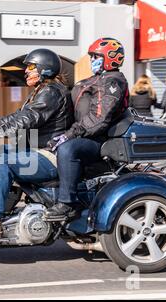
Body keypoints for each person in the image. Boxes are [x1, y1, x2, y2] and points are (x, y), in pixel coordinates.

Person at [0, 48, 74, 238]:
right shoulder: (41, 91)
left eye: (31, 67)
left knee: (2, 162)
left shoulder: (52, 92)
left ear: (44, 69)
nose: (26, 71)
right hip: (34, 149)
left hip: (48, 154)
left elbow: (28, 119)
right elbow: (19, 116)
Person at [43, 38, 129, 222]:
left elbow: (98, 119)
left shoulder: (113, 82)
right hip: (83, 133)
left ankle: (67, 204)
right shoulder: (96, 79)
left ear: (110, 58)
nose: (92, 60)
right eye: (92, 57)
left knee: (68, 149)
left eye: (97, 56)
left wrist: (69, 135)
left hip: (100, 140)